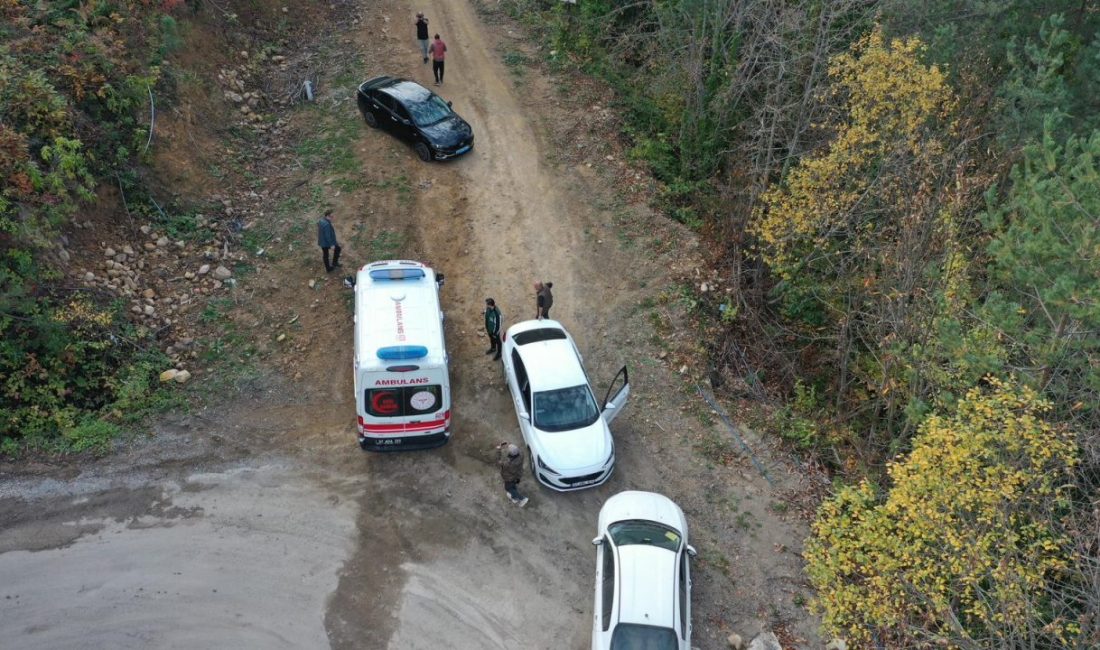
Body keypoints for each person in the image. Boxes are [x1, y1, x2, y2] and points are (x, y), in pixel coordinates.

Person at [497, 442, 528, 507]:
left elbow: (499, 461)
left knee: (508, 488)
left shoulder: (508, 464)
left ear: (511, 454)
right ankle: (514, 498)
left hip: (510, 478)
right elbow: (515, 450)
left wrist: (499, 450)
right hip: (518, 474)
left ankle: (522, 499)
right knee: (513, 485)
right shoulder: (521, 454)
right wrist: (509, 445)